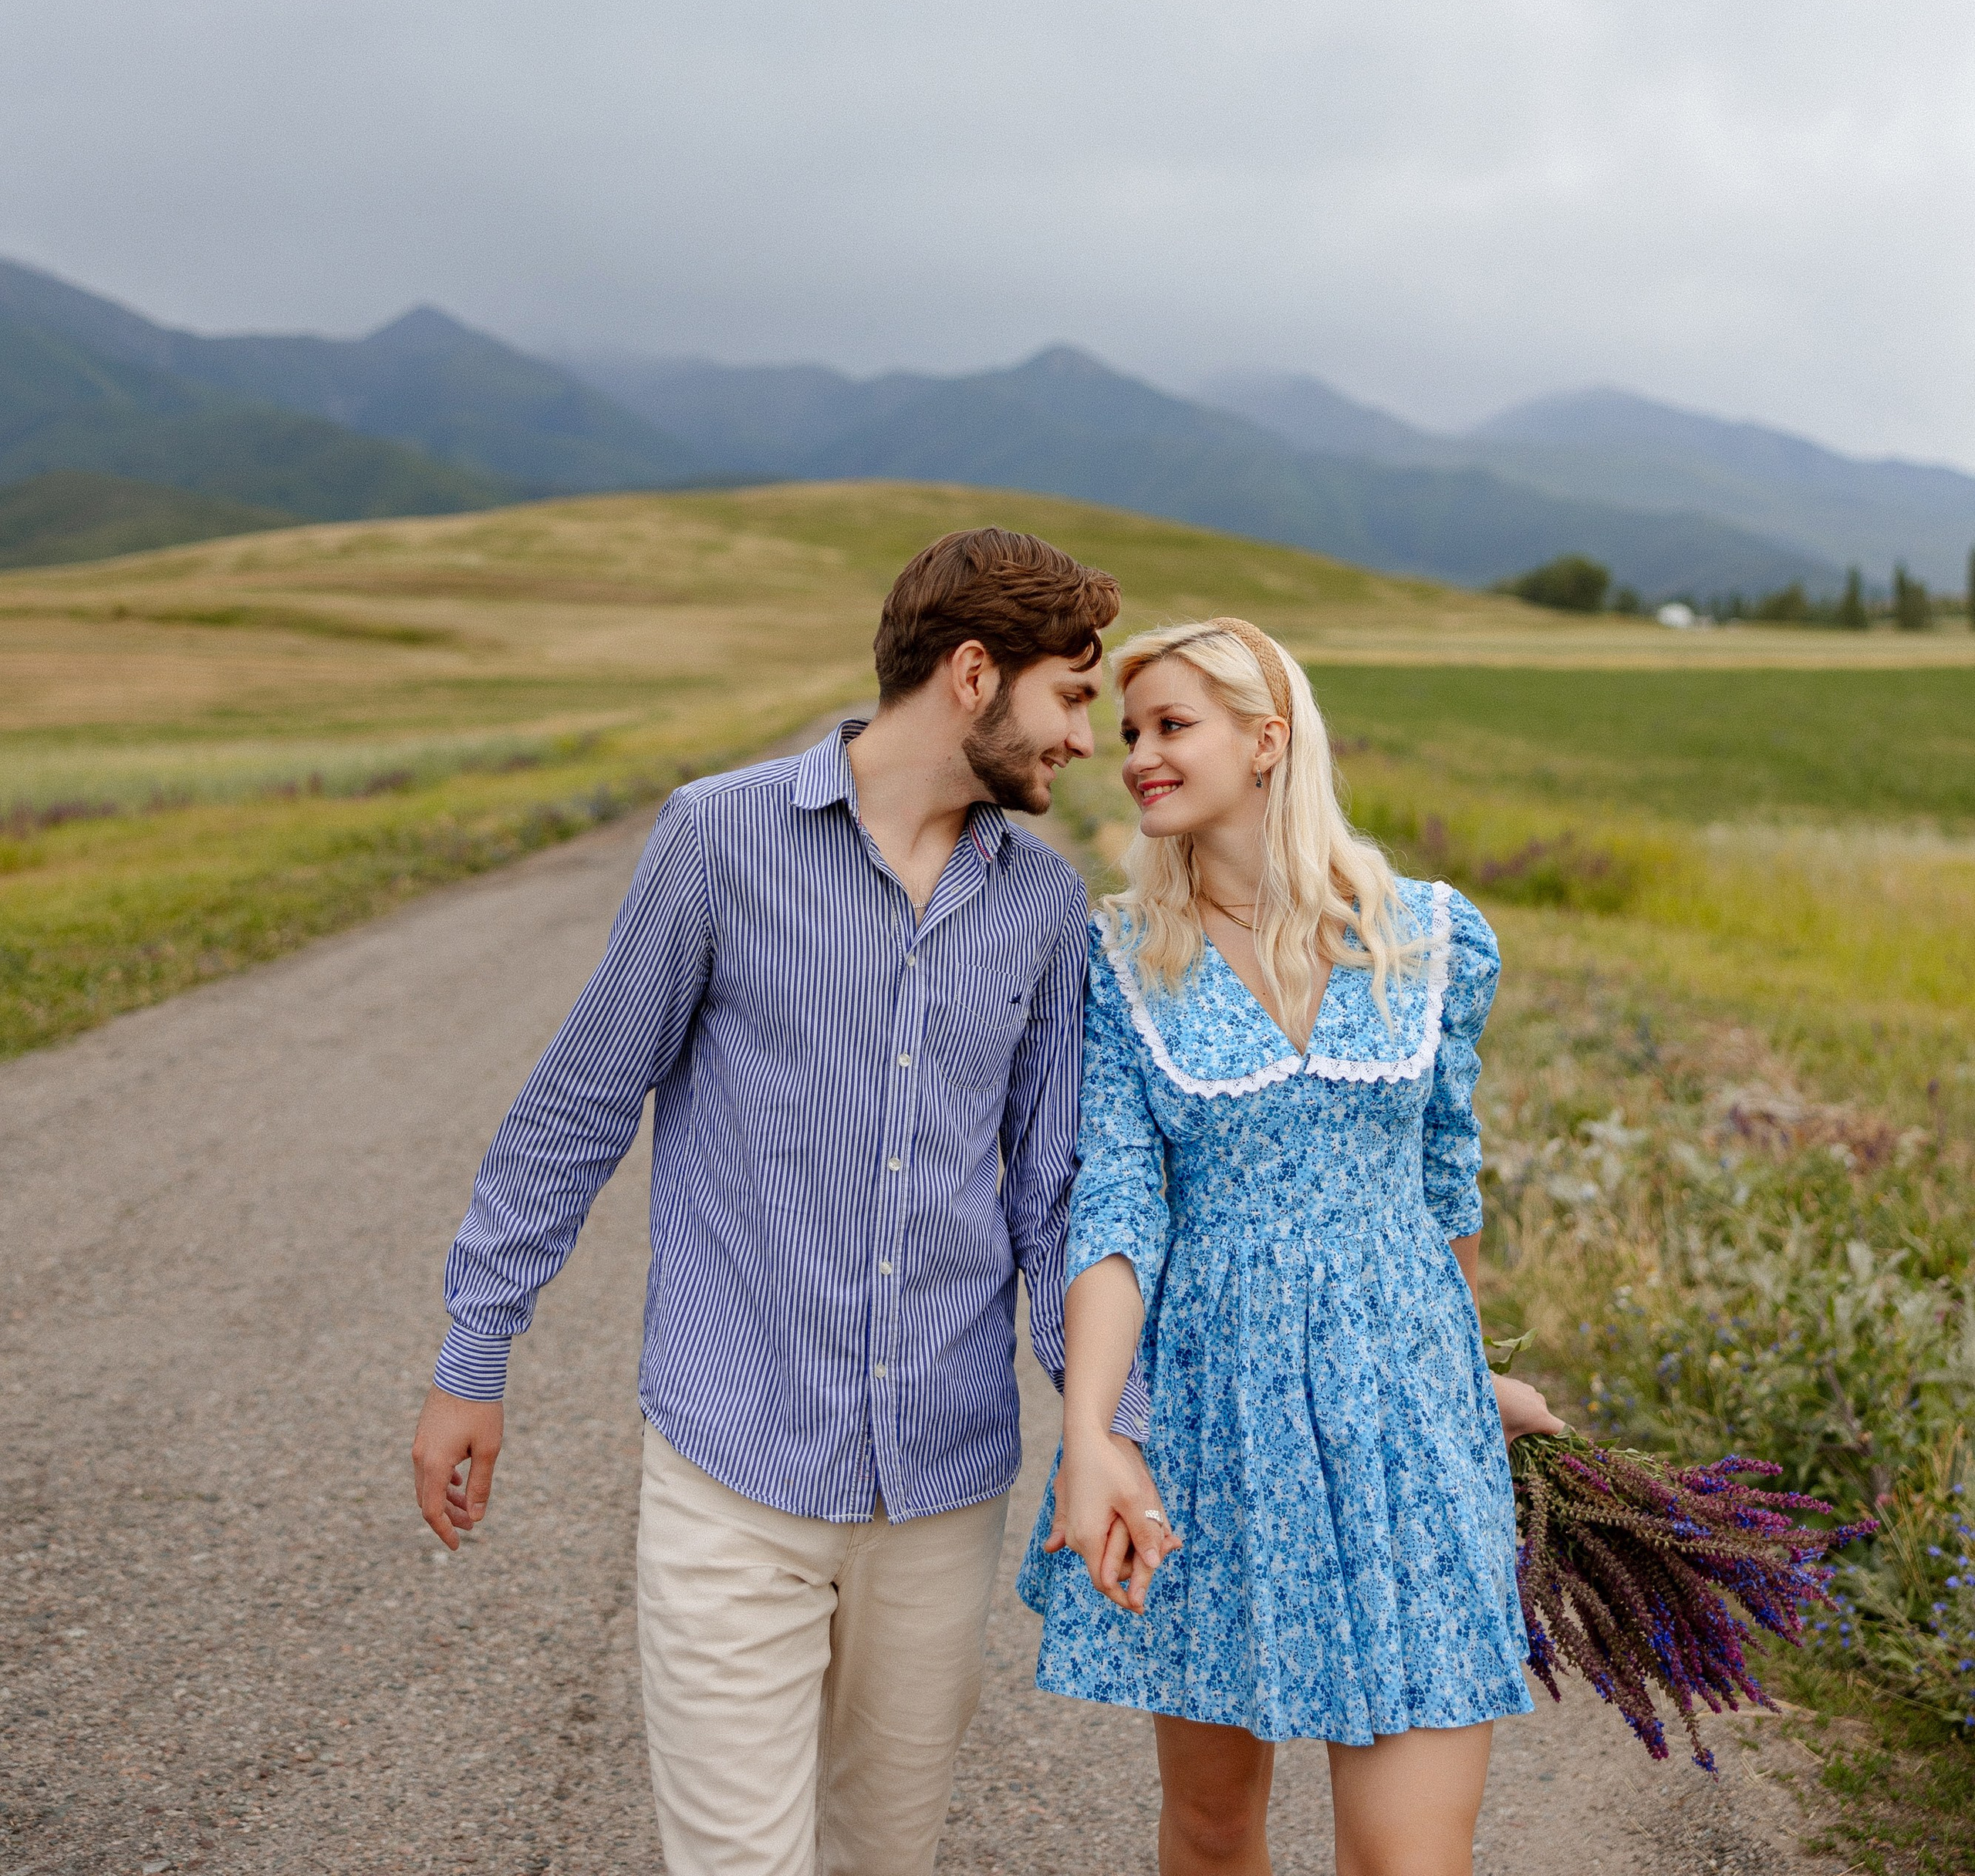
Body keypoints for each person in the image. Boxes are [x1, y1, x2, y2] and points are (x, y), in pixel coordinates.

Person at [410, 527, 1122, 1876]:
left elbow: (1057, 1200)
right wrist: (473, 1354)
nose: (1085, 738)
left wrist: (1112, 1433)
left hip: (943, 1489)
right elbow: (578, 1106)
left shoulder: (1043, 906)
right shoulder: (717, 839)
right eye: (1071, 695)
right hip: (734, 1476)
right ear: (975, 673)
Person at [1019, 617, 1563, 1876]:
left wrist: (1468, 1378)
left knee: (1408, 1861)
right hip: (1221, 1423)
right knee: (1214, 1832)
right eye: (1133, 731)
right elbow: (1114, 1211)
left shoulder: (1427, 937)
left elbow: (1446, 1184)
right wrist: (1097, 1433)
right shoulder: (1118, 961)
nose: (1139, 755)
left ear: (1268, 743)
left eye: (1171, 727)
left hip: (1408, 1422)